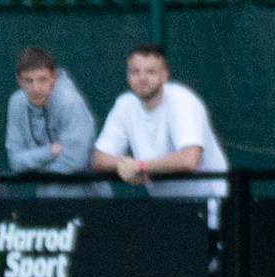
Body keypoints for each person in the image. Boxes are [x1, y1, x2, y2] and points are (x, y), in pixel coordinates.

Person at [89, 45, 229, 212]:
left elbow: (189, 159)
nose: (142, 79)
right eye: (135, 72)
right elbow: (99, 158)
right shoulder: (125, 104)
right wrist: (124, 166)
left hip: (211, 203)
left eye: (150, 72)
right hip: (166, 207)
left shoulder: (182, 101)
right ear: (127, 75)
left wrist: (140, 166)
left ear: (164, 75)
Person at [4, 46, 99, 195]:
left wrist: (33, 162)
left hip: (88, 197)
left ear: (54, 77)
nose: (36, 88)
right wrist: (49, 152)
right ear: (19, 80)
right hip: (45, 198)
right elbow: (15, 161)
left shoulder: (69, 102)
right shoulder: (16, 102)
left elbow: (74, 162)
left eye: (42, 80)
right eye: (28, 81)